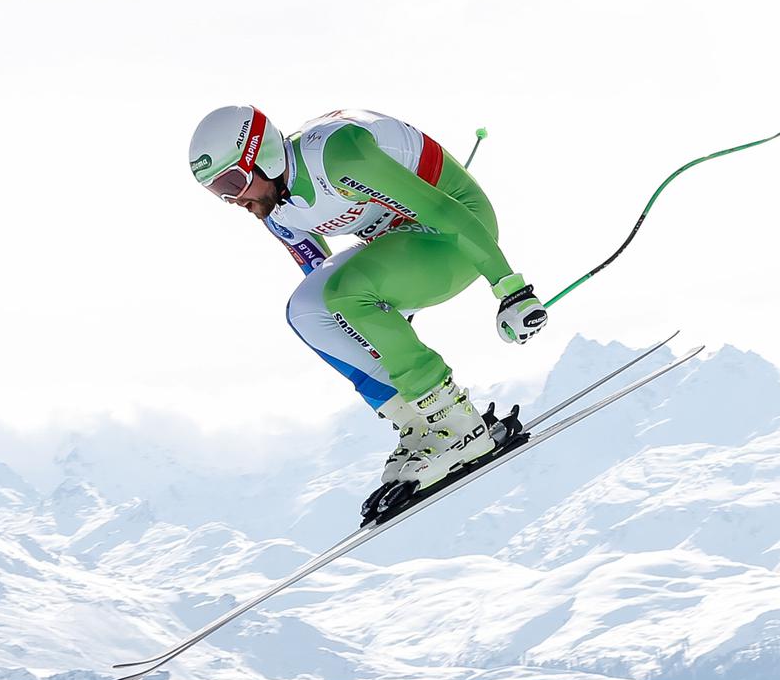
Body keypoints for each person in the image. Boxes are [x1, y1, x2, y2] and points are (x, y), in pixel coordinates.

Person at [188, 106, 547, 510]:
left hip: (458, 232)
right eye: (219, 192)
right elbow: (320, 283)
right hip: (401, 247)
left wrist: (511, 289)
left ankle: (456, 422)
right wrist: (378, 326)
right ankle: (418, 420)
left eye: (232, 181)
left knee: (346, 293)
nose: (234, 199)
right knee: (306, 311)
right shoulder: (277, 212)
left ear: (263, 154)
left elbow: (444, 211)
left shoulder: (338, 153)